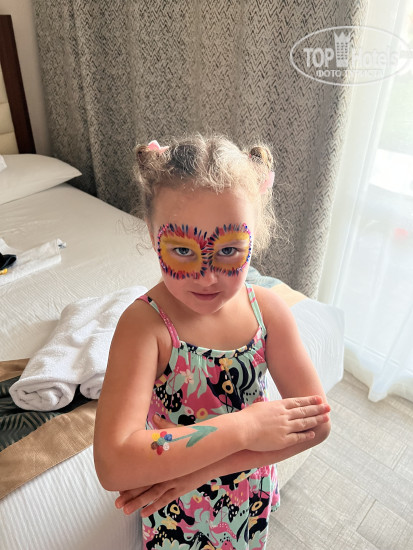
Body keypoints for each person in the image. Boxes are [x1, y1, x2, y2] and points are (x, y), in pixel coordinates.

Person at [94, 134, 331, 550]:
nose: (206, 276)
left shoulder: (268, 312)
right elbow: (114, 463)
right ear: (152, 234)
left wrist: (199, 470)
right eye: (183, 250)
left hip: (243, 498)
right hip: (179, 517)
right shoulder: (145, 326)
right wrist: (246, 426)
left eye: (229, 250)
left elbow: (317, 424)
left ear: (255, 236)